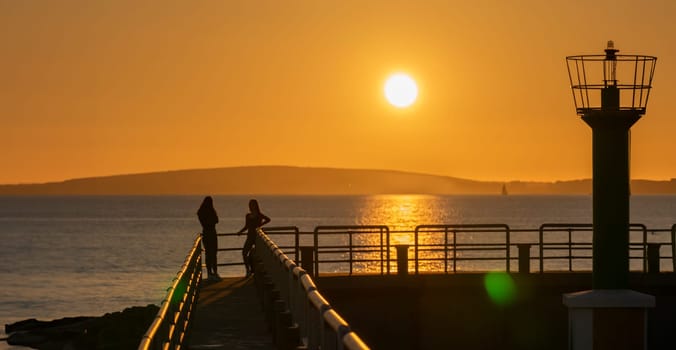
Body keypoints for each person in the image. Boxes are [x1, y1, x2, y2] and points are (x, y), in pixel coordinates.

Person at [237, 199, 271, 277]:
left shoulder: (259, 215)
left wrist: (259, 226)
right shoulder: (248, 215)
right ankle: (248, 270)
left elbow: (268, 219)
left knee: (259, 254)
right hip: (250, 236)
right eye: (250, 205)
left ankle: (258, 271)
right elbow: (246, 226)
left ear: (256, 205)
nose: (251, 206)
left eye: (253, 204)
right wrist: (240, 232)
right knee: (244, 252)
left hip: (257, 237)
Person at [197, 196, 220, 281]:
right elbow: (217, 220)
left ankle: (210, 273)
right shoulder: (211, 211)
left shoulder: (201, 212)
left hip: (206, 233)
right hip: (212, 233)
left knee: (208, 254)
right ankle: (214, 272)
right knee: (213, 254)